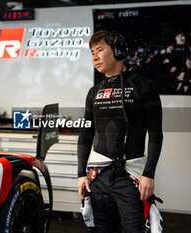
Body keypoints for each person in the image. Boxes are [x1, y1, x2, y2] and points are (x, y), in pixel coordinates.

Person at [77, 30, 163, 233]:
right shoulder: (94, 92)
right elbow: (86, 134)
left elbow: (156, 133)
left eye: (100, 50)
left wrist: (149, 174)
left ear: (118, 51)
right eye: (91, 52)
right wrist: (81, 174)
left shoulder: (144, 86)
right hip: (98, 178)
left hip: (130, 178)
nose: (95, 57)